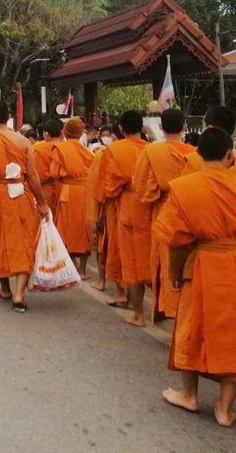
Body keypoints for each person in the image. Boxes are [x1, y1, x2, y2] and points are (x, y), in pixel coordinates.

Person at [153, 127, 236, 428]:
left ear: (199, 154)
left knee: (191, 328)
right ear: (230, 155)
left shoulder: (184, 188)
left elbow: (176, 241)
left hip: (201, 265)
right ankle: (225, 409)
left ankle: (188, 395)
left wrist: (175, 273)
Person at [0, 101, 48, 312]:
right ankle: (19, 293)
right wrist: (42, 203)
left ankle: (5, 288)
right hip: (21, 193)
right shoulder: (23, 141)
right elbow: (32, 175)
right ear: (9, 118)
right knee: (23, 241)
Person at [133, 108, 195, 325]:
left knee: (165, 261)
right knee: (187, 262)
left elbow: (140, 186)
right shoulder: (195, 154)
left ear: (160, 127)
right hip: (190, 212)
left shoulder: (152, 152)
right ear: (185, 127)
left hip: (164, 211)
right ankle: (183, 311)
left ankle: (169, 307)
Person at [91, 111, 148, 310]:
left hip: (121, 203)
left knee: (120, 249)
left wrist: (101, 202)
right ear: (142, 128)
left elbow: (107, 184)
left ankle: (122, 293)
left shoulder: (112, 150)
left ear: (121, 130)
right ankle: (137, 300)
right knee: (142, 251)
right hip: (146, 204)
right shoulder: (150, 149)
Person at [50, 117, 94, 279]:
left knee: (66, 229)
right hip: (85, 192)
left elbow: (54, 172)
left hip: (68, 192)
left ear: (65, 132)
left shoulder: (60, 148)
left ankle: (70, 266)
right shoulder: (87, 151)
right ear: (81, 133)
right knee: (85, 229)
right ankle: (82, 270)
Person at [181, 105, 236, 185]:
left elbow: (183, 188)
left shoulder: (194, 160)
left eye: (203, 126)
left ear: (209, 129)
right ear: (234, 132)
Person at [33, 120, 62, 223]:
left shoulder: (39, 148)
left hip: (45, 191)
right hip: (64, 191)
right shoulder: (66, 147)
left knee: (45, 223)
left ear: (46, 134)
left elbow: (36, 174)